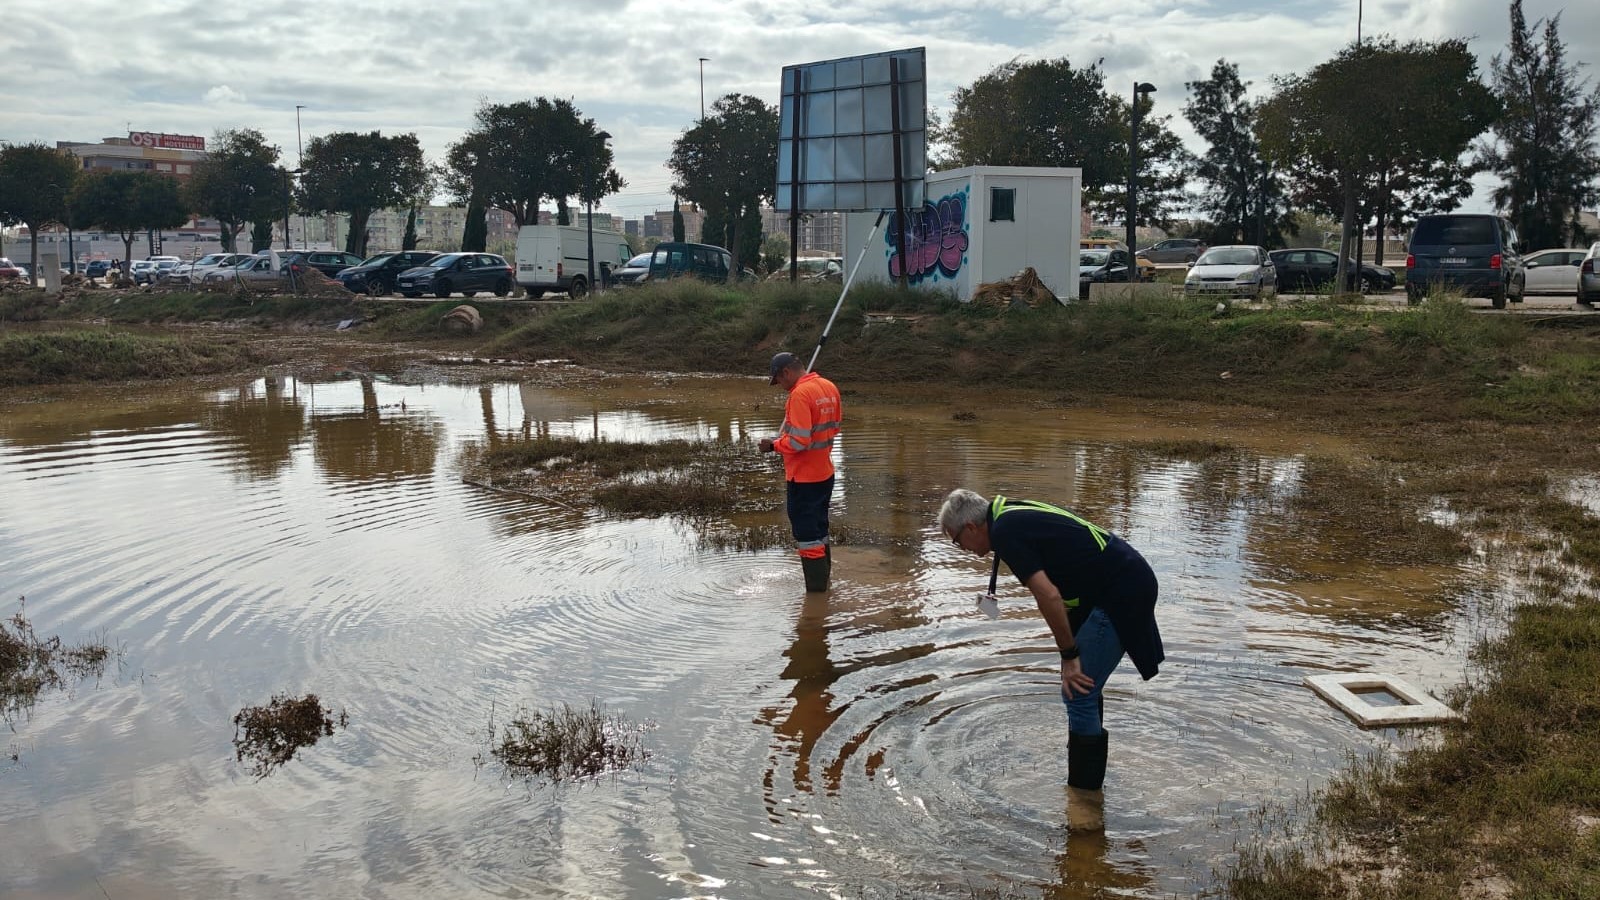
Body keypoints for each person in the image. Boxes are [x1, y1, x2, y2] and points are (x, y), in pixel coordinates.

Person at [936, 488, 1163, 831]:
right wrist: (1069, 656)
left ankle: (1085, 808)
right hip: (1118, 581)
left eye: (957, 542)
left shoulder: (1007, 531)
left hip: (1120, 591)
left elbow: (1049, 595)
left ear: (971, 527)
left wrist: (1070, 655)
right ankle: (1085, 788)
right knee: (1082, 685)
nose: (962, 550)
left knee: (1079, 690)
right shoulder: (1005, 517)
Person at [759, 351, 842, 592]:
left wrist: (773, 445)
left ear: (786, 372)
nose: (781, 387)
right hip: (825, 473)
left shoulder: (799, 395)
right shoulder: (828, 387)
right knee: (820, 529)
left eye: (779, 381)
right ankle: (825, 583)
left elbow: (799, 442)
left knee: (807, 536)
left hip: (803, 479)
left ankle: (816, 596)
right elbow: (833, 428)